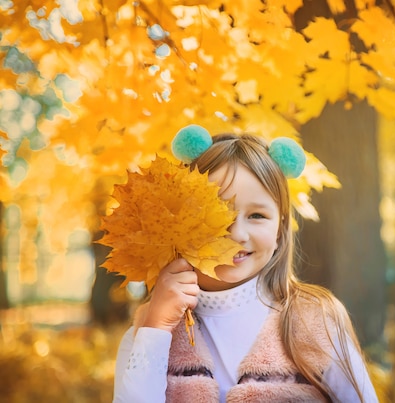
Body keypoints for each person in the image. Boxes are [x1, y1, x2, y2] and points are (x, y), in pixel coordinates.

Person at [113, 133, 379, 402]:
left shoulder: (316, 324)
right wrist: (156, 329)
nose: (237, 233)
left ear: (279, 229)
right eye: (217, 211)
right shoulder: (148, 329)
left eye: (257, 216)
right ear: (181, 221)